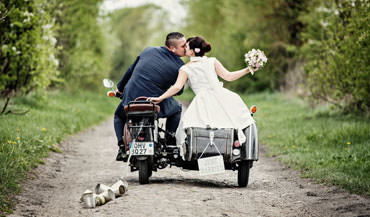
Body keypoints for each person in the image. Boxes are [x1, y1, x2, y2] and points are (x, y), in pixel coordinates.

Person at [147, 36, 259, 157]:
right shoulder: (212, 61)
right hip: (223, 96)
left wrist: (160, 97)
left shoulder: (185, 68)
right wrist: (248, 69)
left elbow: (177, 87)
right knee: (231, 122)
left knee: (194, 126)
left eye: (187, 47)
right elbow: (229, 76)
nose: (185, 48)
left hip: (202, 101)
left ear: (193, 51)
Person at [114, 32, 187, 161]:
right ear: (172, 49)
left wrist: (120, 89)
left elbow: (130, 71)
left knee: (119, 116)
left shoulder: (148, 50)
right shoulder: (180, 66)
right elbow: (179, 90)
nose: (186, 47)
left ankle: (121, 147)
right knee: (177, 109)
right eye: (183, 45)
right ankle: (169, 142)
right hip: (155, 102)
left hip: (132, 99)